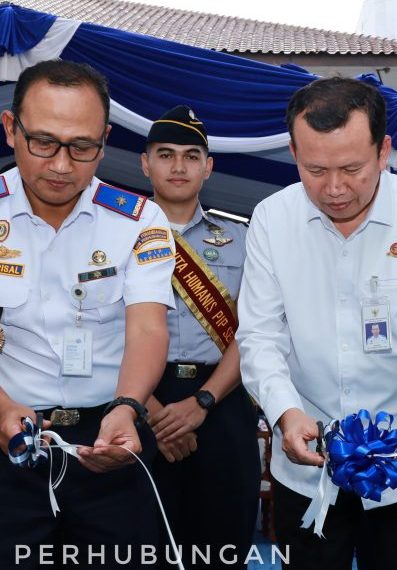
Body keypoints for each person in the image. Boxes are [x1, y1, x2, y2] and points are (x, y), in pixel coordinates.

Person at [0, 60, 175, 569]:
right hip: (2, 439)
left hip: (108, 439)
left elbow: (147, 325)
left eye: (82, 148)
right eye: (43, 142)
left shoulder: (139, 220)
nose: (60, 164)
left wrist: (129, 406)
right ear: (11, 129)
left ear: (105, 140)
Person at [237, 76, 397, 569]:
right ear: (293, 152)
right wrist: (284, 412)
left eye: (351, 168)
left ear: (384, 150)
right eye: (315, 169)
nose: (335, 188)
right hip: (307, 467)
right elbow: (260, 336)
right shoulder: (271, 220)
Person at [141, 104, 259, 569]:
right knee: (142, 544)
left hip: (220, 400)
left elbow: (255, 330)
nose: (178, 166)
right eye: (166, 154)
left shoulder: (244, 238)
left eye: (191, 156)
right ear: (145, 162)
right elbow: (101, 330)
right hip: (137, 401)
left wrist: (202, 403)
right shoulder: (112, 237)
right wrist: (149, 410)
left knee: (223, 541)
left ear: (208, 167)